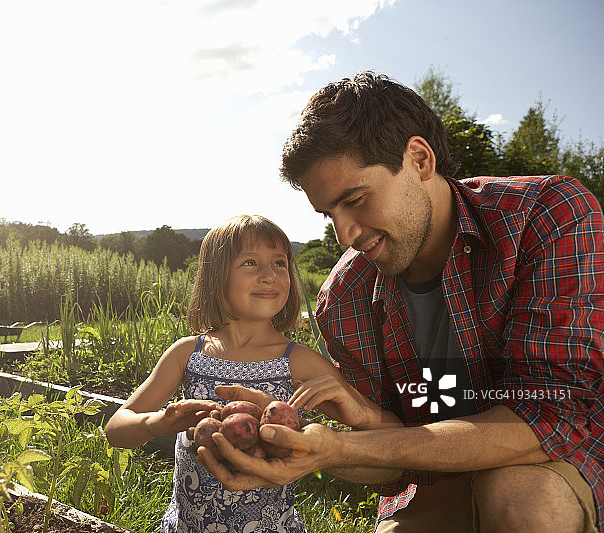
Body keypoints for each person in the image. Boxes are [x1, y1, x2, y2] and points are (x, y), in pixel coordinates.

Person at [197, 72, 604, 533]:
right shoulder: (344, 298)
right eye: (330, 214)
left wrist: (347, 448)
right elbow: (394, 465)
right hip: (432, 486)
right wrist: (306, 449)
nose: (345, 234)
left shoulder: (544, 215)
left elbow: (553, 417)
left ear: (418, 159)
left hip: (553, 465)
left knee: (517, 499)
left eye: (355, 199)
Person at [105, 214, 402, 532]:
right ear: (215, 276)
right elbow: (116, 429)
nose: (269, 275)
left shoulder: (298, 361)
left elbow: (393, 434)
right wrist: (158, 422)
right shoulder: (187, 353)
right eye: (250, 262)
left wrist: (353, 408)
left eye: (279, 263)